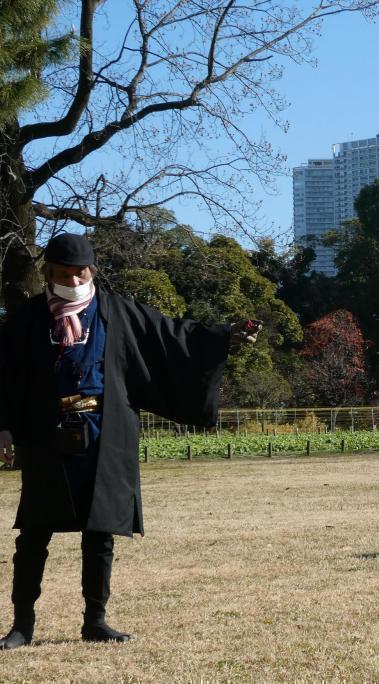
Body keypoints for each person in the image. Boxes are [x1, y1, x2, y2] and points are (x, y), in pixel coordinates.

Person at [0, 234, 260, 649]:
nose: (72, 280)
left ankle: (95, 621)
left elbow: (172, 336)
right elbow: (6, 375)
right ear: (49, 273)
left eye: (80, 272)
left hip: (105, 433)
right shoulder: (27, 318)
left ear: (93, 271)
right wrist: (5, 425)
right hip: (44, 434)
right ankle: (21, 626)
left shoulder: (117, 312)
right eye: (63, 274)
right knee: (34, 532)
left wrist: (221, 336)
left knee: (100, 531)